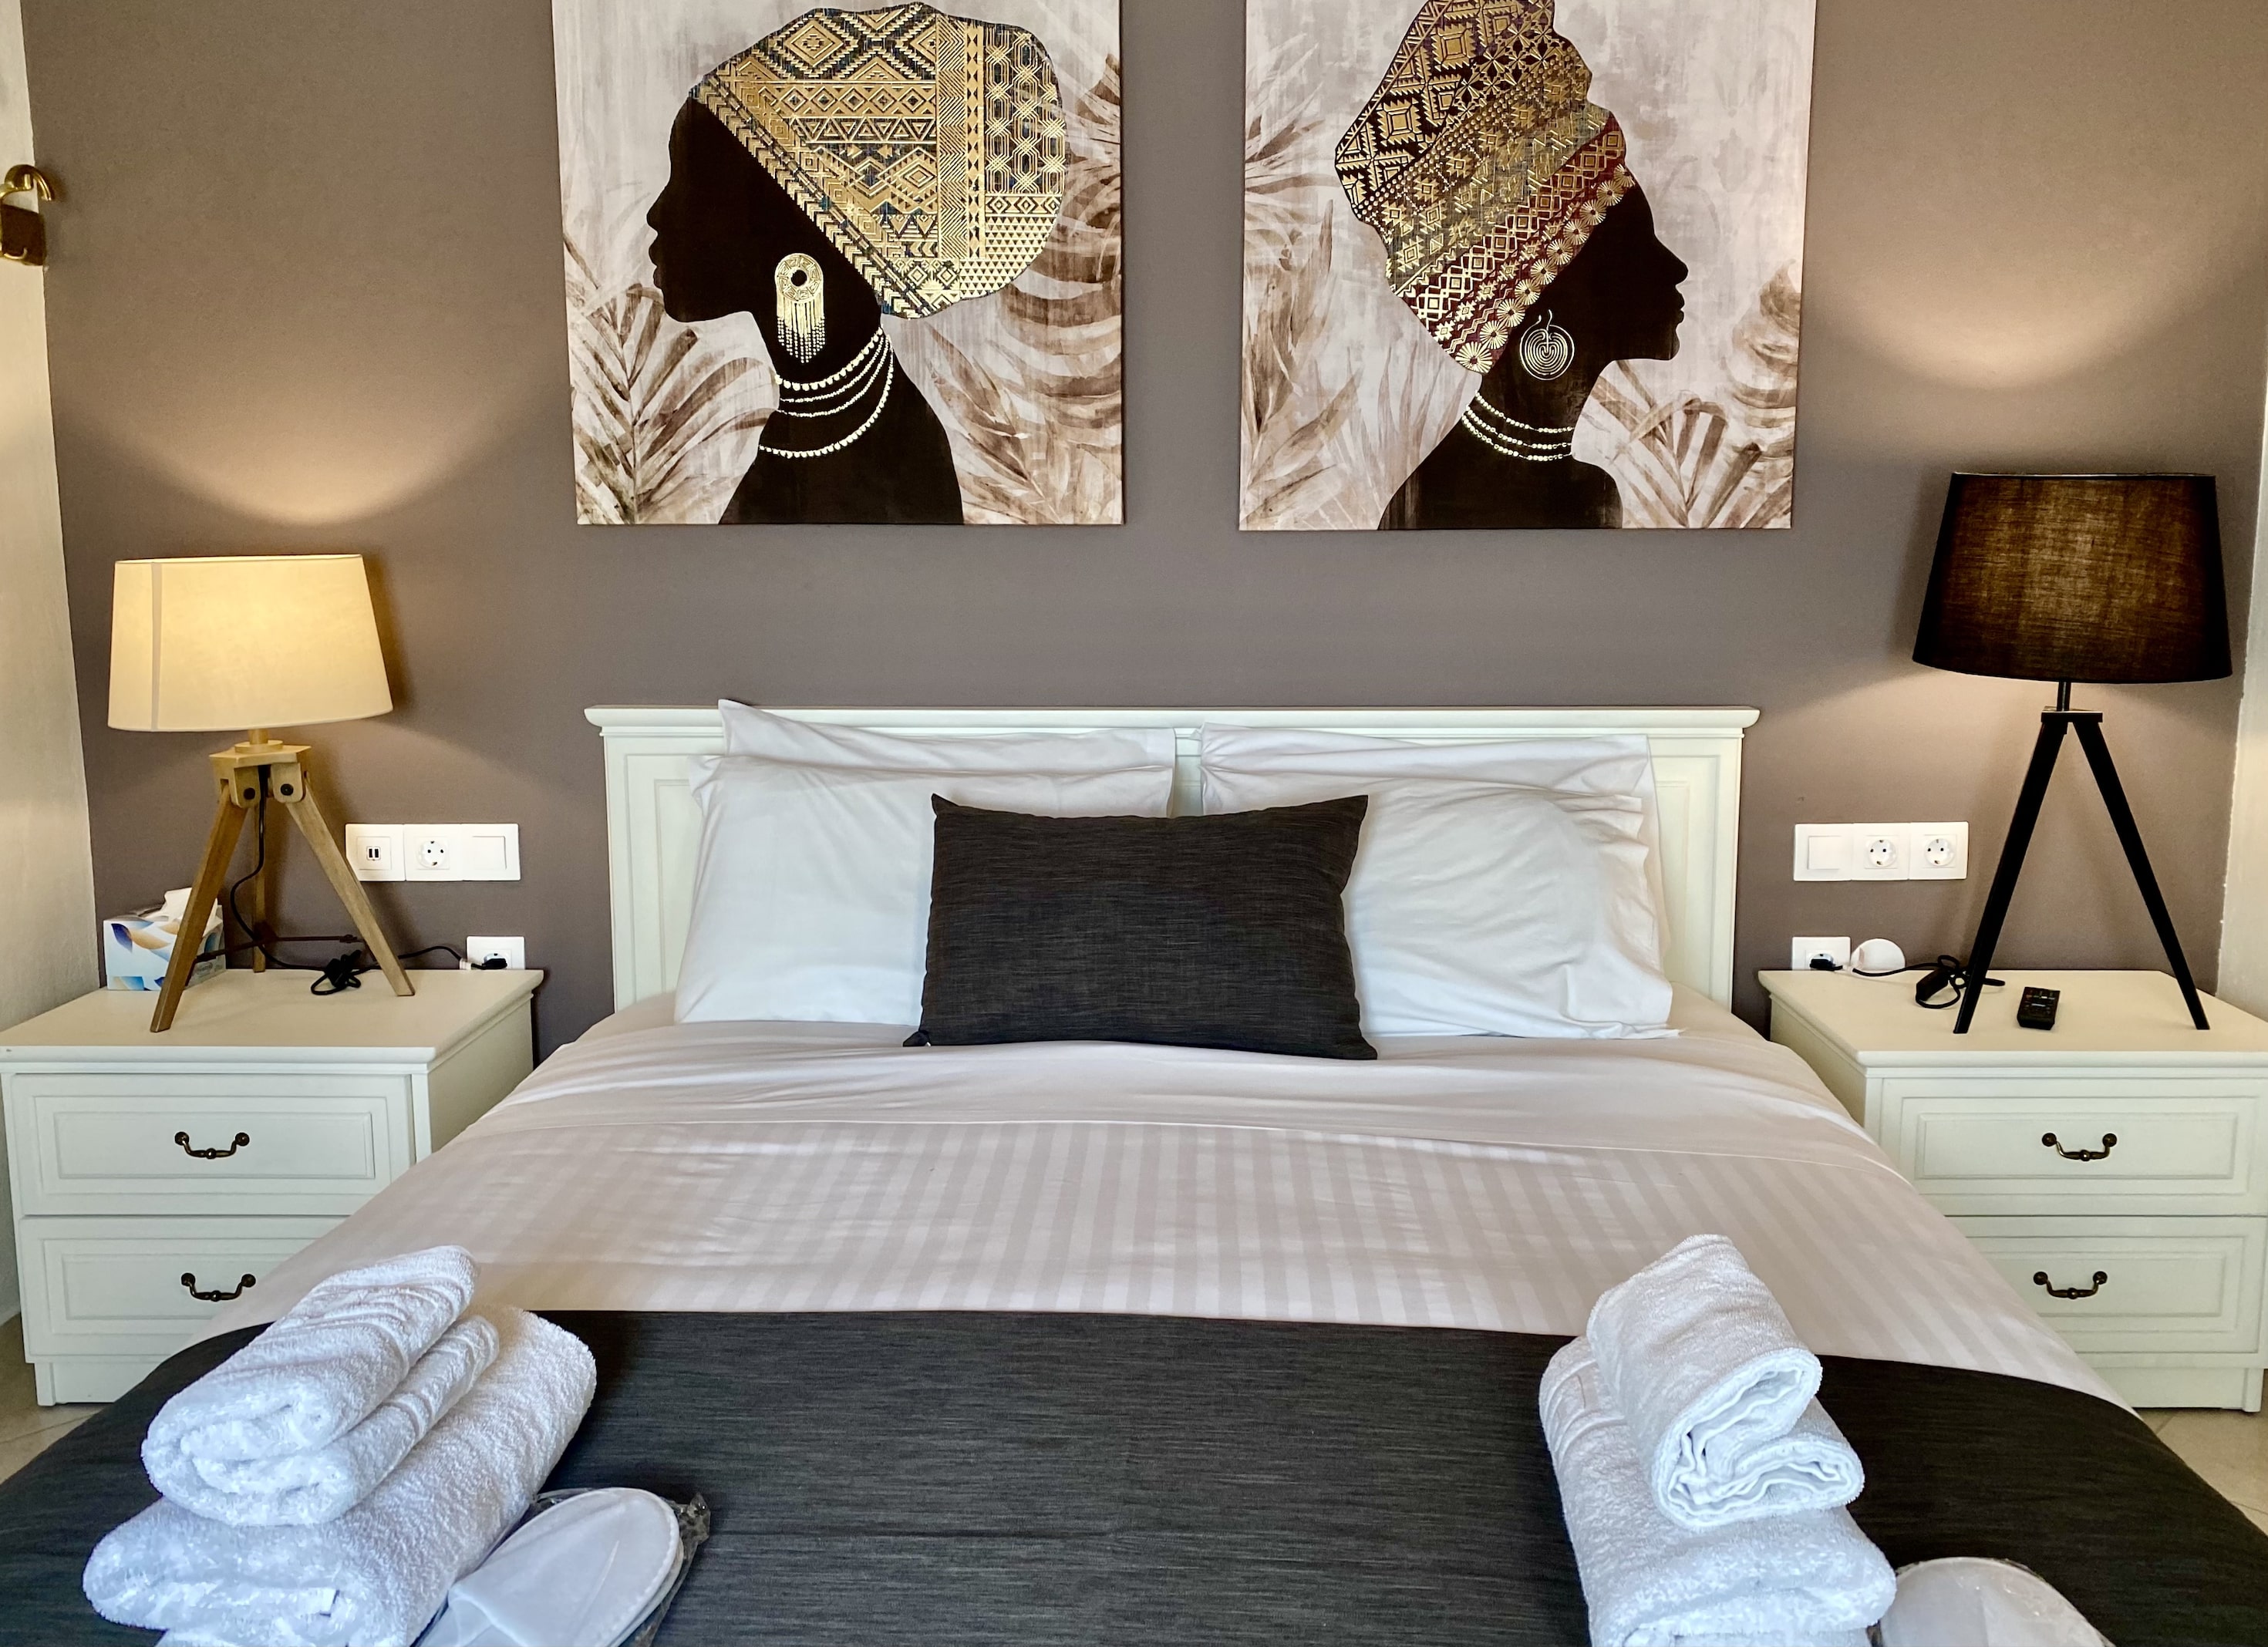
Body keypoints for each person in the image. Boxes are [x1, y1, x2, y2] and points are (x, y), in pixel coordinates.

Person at [647, 5, 1067, 524]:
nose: (657, 214)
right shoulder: (833, 425)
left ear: (793, 238)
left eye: (695, 186)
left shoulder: (883, 460)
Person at [1336, 0, 1688, 529]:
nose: (1675, 268)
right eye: (1635, 250)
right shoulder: (1453, 505)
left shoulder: (1580, 490)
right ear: (1547, 298)